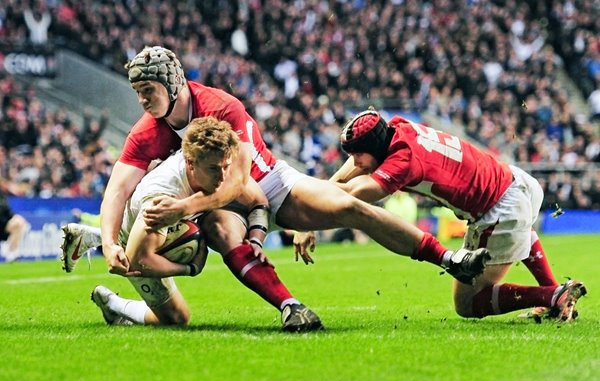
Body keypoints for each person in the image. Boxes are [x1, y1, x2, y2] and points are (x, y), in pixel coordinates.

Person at [63, 46, 488, 311]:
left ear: (173, 82)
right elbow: (117, 188)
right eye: (137, 90)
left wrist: (186, 207)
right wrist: (114, 240)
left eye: (149, 89)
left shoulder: (221, 106)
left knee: (352, 208)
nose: (141, 98)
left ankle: (449, 260)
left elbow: (241, 182)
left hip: (268, 184)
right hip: (210, 205)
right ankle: (290, 306)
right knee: (210, 241)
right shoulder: (146, 130)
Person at [331, 109, 587, 322]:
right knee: (521, 232)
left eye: (357, 154)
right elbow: (348, 175)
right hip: (515, 180)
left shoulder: (402, 162)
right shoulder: (398, 126)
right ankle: (555, 296)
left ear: (374, 147)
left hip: (498, 208)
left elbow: (354, 192)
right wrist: (327, 185)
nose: (355, 162)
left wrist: (314, 198)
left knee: (467, 304)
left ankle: (553, 295)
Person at [71, 116, 321, 330]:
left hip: (173, 224)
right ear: (190, 163)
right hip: (136, 242)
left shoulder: (217, 165)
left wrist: (256, 240)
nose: (223, 176)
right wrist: (190, 268)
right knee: (176, 319)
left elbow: (258, 201)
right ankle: (113, 294)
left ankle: (95, 244)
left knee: (209, 227)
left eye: (225, 167)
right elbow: (140, 260)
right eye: (214, 169)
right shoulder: (161, 199)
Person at [0, 189, 29, 262]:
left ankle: (12, 253)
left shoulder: (2, 195)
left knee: (18, 222)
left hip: (3, 225)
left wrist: (16, 217)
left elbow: (8, 212)